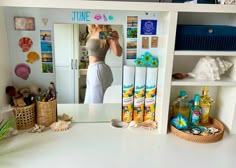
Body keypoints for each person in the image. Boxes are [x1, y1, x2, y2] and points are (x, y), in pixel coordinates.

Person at [84, 24, 122, 104]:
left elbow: (118, 53)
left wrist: (115, 41)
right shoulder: (92, 31)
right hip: (92, 69)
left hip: (98, 69)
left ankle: (99, 116)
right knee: (89, 101)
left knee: (97, 102)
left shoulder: (105, 33)